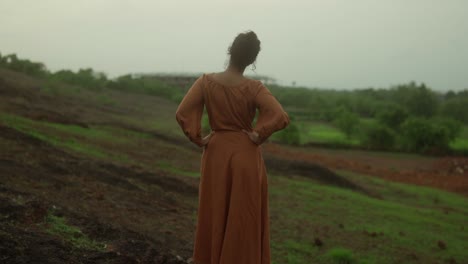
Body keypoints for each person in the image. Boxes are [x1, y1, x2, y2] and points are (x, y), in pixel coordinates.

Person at [175, 30, 290, 264]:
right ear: (252, 60)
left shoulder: (205, 81)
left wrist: (198, 138)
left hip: (216, 151)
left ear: (230, 51)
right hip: (246, 152)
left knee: (214, 208)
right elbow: (279, 115)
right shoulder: (255, 88)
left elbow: (182, 112)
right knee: (243, 214)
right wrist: (259, 134)